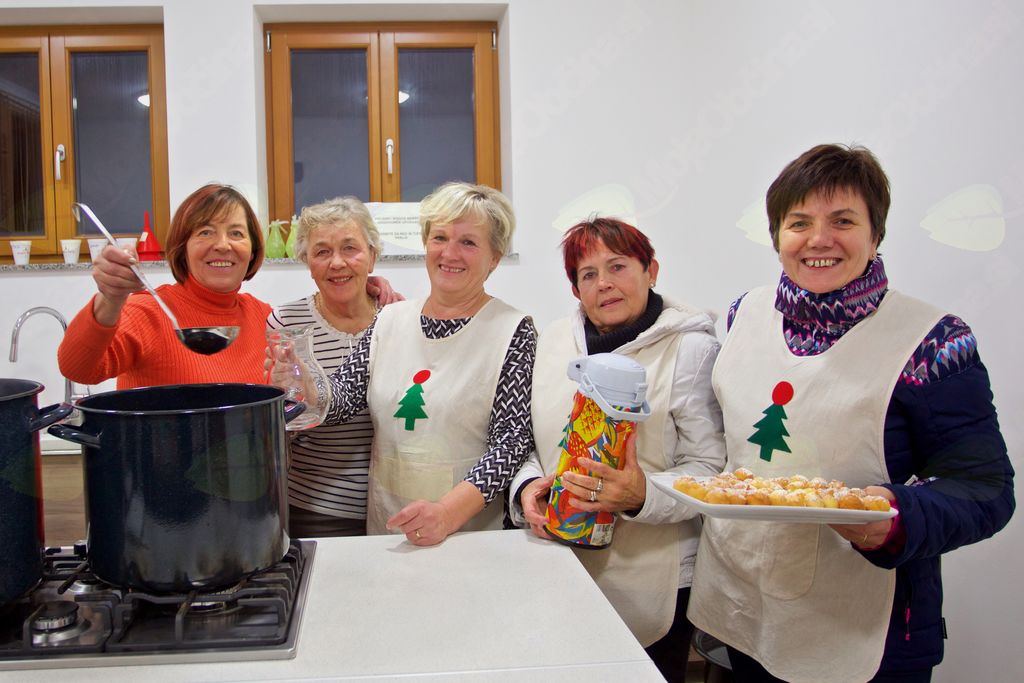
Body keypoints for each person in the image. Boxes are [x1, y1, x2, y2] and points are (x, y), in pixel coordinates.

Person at [688, 144, 1015, 682]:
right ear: (777, 236)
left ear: (875, 234)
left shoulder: (934, 343)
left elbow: (985, 489)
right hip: (743, 606)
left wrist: (894, 517)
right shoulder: (743, 314)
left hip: (862, 627)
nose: (819, 239)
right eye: (799, 223)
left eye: (842, 221)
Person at [508, 217, 726, 682]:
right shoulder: (554, 342)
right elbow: (534, 443)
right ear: (576, 289)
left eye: (618, 266)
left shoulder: (690, 349)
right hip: (560, 560)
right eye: (588, 274)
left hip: (654, 573)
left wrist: (641, 494)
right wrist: (528, 487)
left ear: (651, 271)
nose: (603, 283)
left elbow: (710, 468)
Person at [319, 181, 536, 545]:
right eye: (440, 238)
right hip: (387, 533)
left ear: (495, 258)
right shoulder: (388, 320)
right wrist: (306, 385)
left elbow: (511, 442)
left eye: (468, 242)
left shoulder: (512, 331)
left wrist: (447, 513)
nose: (449, 253)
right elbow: (340, 399)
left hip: (469, 537)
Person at [58, 183, 397, 389]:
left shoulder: (264, 318)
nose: (223, 245)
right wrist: (110, 298)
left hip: (249, 481)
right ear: (182, 247)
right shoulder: (147, 311)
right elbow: (78, 368)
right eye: (205, 232)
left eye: (236, 233)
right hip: (164, 481)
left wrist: (362, 289)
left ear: (252, 248)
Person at [267, 197, 385, 538]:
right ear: (307, 261)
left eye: (350, 248)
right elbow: (281, 422)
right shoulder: (285, 322)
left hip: (392, 503)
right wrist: (282, 398)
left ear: (372, 256)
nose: (337, 263)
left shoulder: (397, 318)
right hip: (315, 506)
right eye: (322, 252)